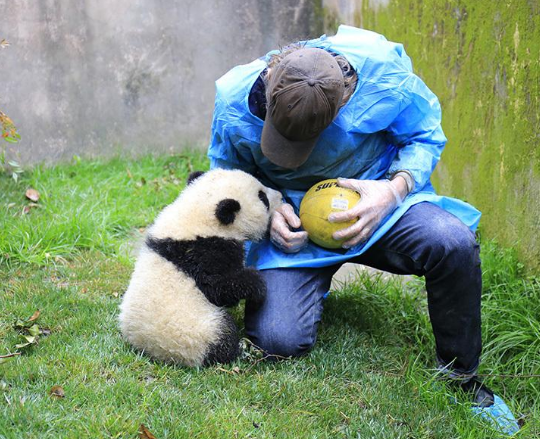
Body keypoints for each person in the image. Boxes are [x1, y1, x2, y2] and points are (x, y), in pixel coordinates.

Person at [207, 25, 519, 435]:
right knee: (277, 340)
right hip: (296, 224)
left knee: (452, 242)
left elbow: (424, 135)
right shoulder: (233, 97)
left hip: (380, 203)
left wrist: (393, 189)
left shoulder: (382, 69)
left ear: (343, 104)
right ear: (269, 81)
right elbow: (226, 176)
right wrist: (271, 208)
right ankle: (308, 283)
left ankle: (463, 377)